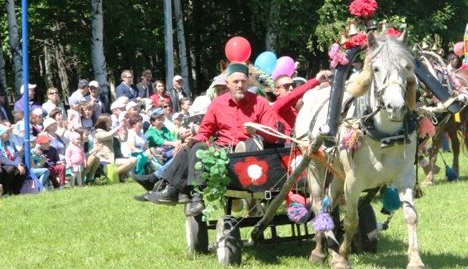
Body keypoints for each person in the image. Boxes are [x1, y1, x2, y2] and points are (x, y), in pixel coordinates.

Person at [144, 63, 284, 216]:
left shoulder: (260, 103)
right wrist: (193, 140)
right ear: (228, 84)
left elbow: (274, 135)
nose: (240, 85)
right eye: (235, 82)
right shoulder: (218, 103)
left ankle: (167, 187)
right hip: (223, 154)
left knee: (198, 148)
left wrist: (256, 129)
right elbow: (205, 131)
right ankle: (196, 197)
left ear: (248, 82)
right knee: (195, 147)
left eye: (243, 81)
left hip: (253, 156)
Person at [272, 70, 332, 136]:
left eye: (293, 85)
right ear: (276, 91)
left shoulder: (295, 106)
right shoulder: (276, 106)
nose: (291, 88)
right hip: (287, 144)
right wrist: (316, 80)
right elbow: (292, 96)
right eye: (286, 86)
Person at [89, 115, 135, 182]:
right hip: (106, 158)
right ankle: (111, 175)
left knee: (134, 160)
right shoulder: (98, 132)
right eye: (109, 120)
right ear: (104, 123)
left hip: (116, 157)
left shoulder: (111, 130)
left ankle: (120, 176)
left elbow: (123, 139)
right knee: (128, 163)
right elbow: (109, 135)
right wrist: (119, 126)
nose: (111, 121)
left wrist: (125, 128)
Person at [0, 123, 27, 195]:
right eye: (6, 133)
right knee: (11, 169)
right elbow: (1, 158)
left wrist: (18, 164)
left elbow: (18, 154)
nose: (9, 134)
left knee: (23, 168)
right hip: (3, 166)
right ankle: (5, 192)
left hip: (12, 164)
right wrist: (16, 165)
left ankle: (15, 192)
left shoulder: (10, 142)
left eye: (9, 132)